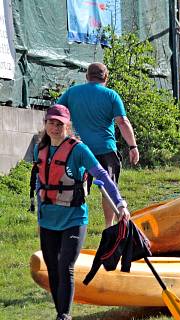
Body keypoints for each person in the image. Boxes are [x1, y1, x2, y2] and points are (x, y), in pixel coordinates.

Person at [34, 104, 130, 320]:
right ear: (45, 123)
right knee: (52, 268)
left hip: (74, 218)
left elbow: (103, 176)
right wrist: (39, 219)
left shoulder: (79, 150)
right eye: (51, 122)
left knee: (65, 266)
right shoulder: (40, 148)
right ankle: (61, 312)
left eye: (60, 123)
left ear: (67, 125)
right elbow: (40, 185)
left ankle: (64, 316)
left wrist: (120, 203)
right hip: (48, 219)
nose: (55, 127)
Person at [57, 62, 139, 228]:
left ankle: (71, 224)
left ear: (87, 77)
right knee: (109, 188)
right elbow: (122, 122)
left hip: (78, 150)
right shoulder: (111, 95)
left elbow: (57, 113)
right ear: (106, 77)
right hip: (105, 150)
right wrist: (132, 146)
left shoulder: (72, 93)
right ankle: (108, 226)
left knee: (74, 187)